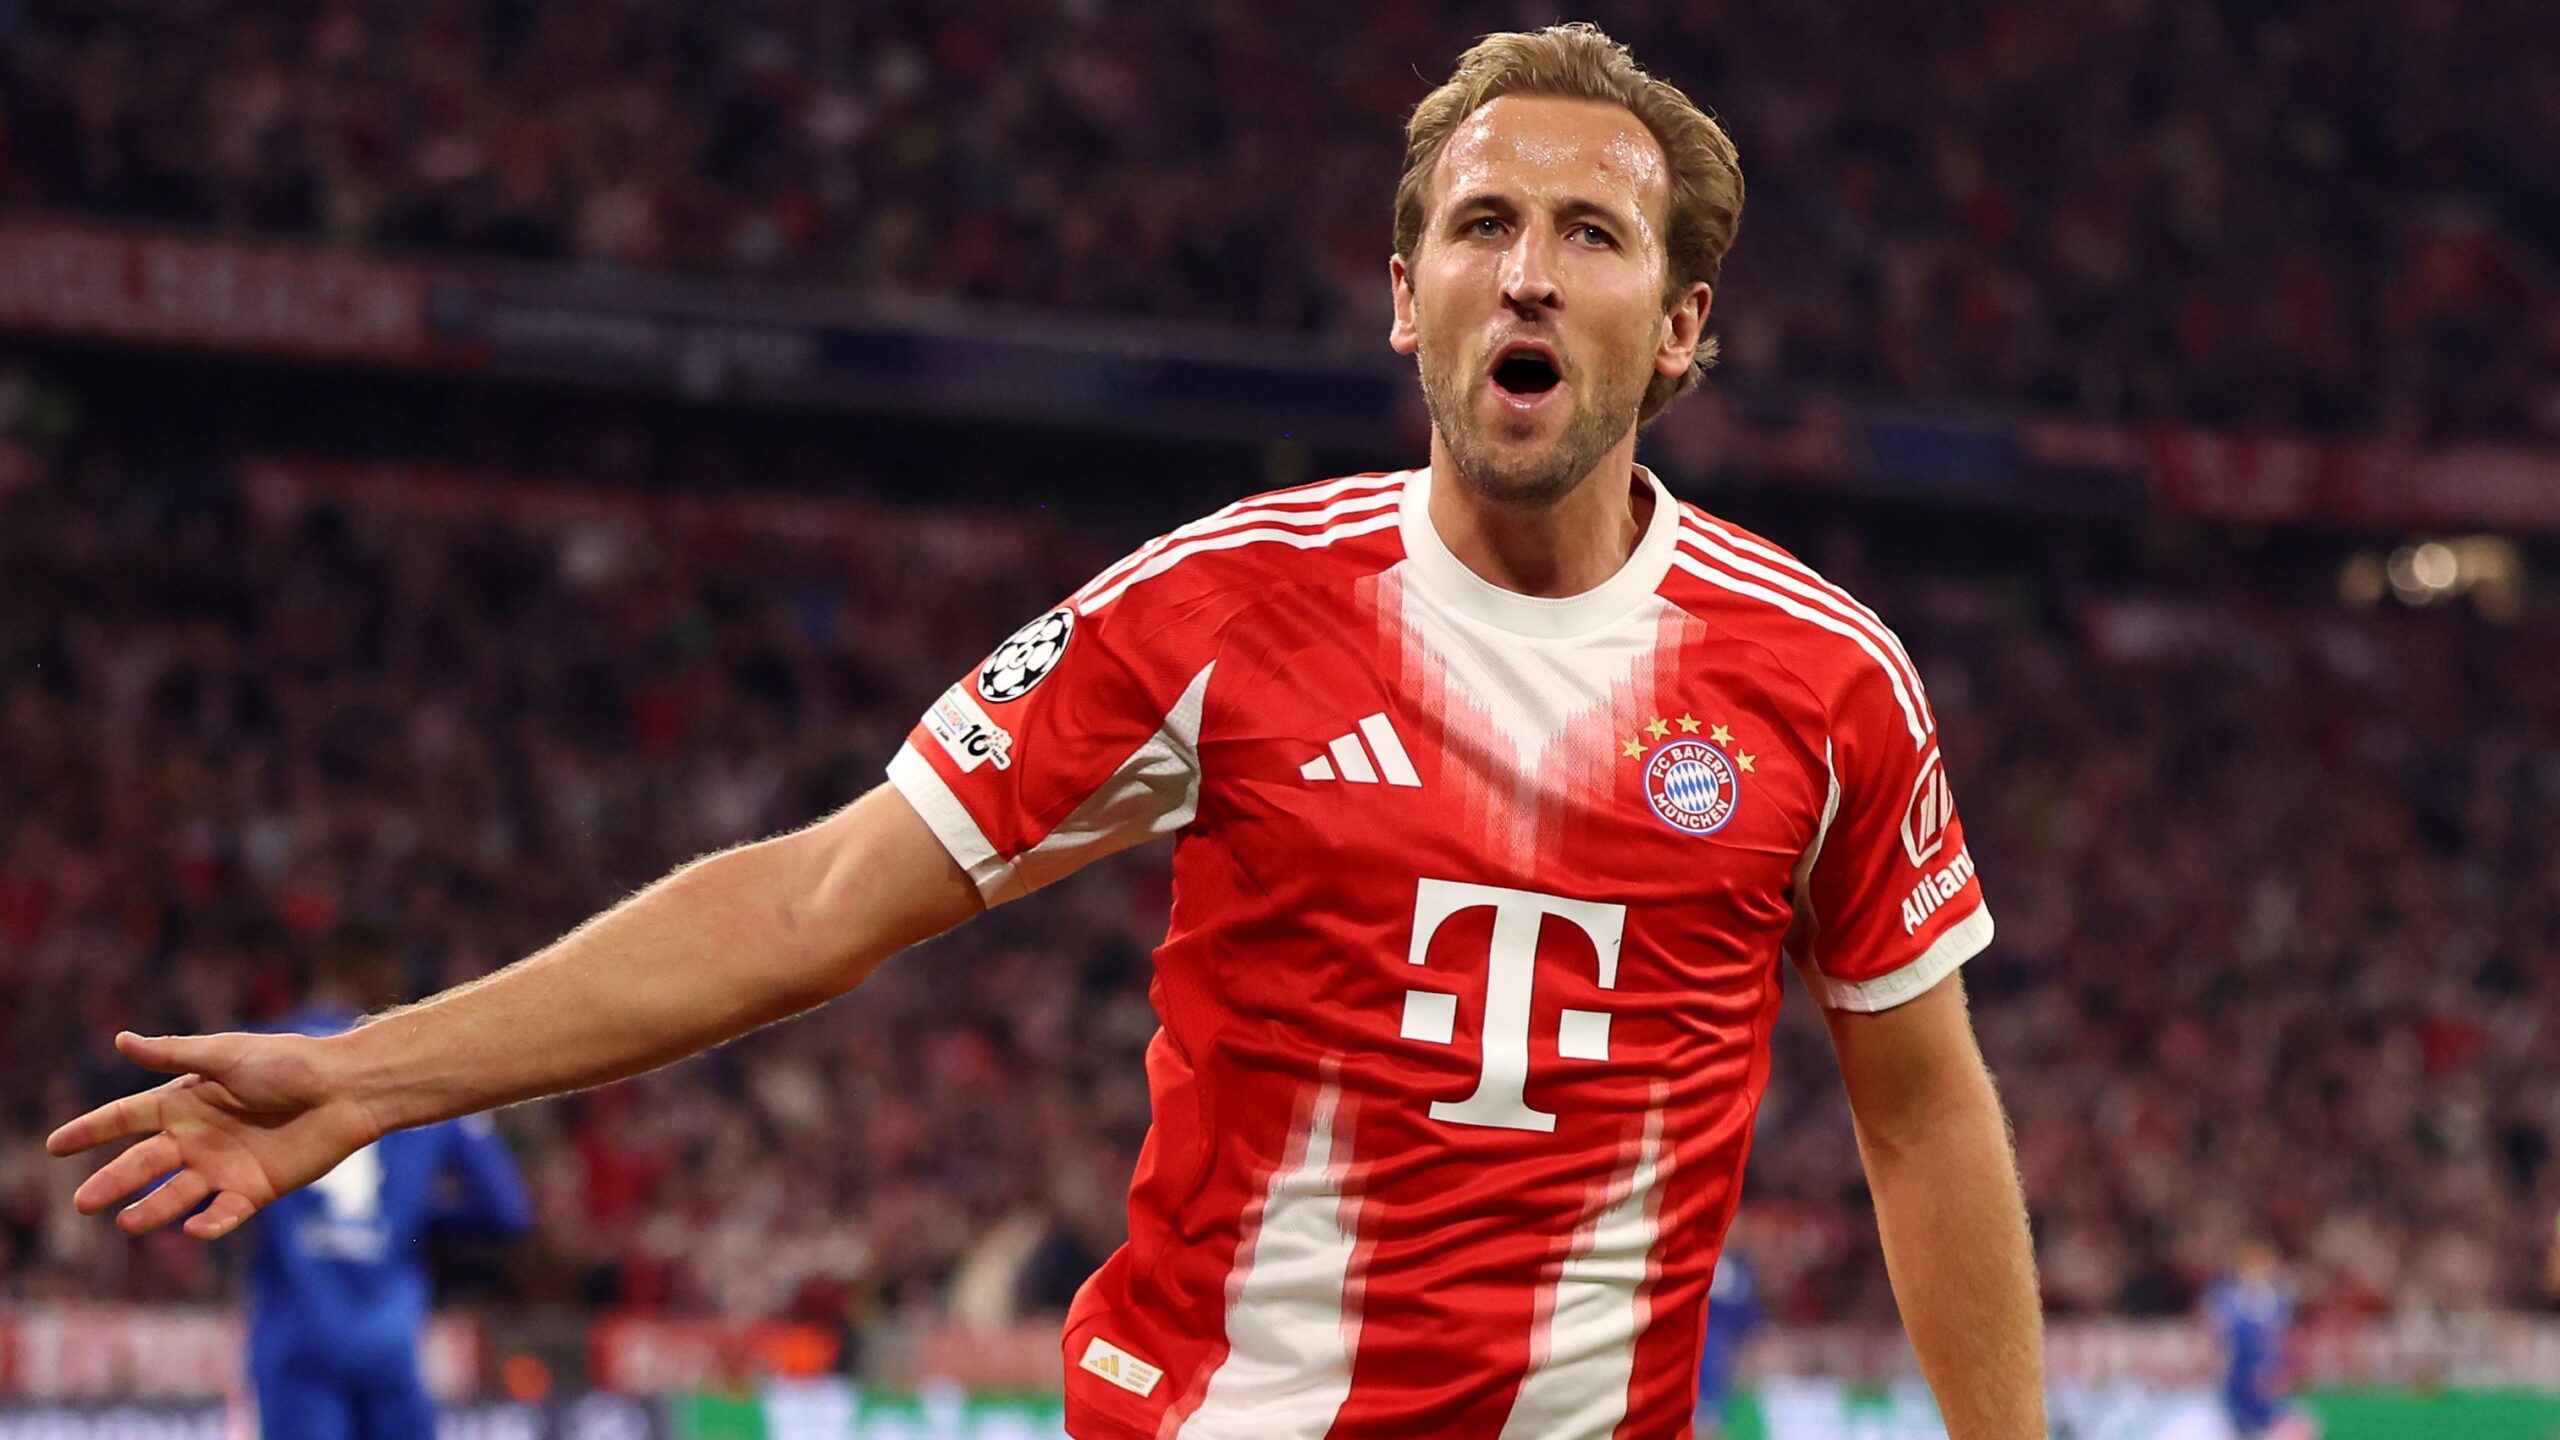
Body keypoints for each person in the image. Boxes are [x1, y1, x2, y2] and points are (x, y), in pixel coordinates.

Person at [50, 25, 2044, 1440]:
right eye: (1479, 223)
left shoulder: (1822, 679)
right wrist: (370, 1077)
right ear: (1403, 294)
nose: (1526, 269)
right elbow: (812, 903)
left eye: (1591, 235)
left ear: (1679, 327)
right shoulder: (1216, 608)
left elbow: (1923, 1114)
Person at [233, 924, 534, 1440]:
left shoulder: (260, 1054)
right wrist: (411, 1217)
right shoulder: (423, 1072)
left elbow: (183, 1190)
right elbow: (507, 1210)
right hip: (387, 1338)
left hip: (297, 1335)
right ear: (383, 977)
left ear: (326, 971)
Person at [2202, 1241, 2309, 1440]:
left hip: (2267, 1374)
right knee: (2237, 1424)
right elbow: (2220, 1339)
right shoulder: (2227, 1299)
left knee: (2295, 1424)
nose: (2258, 1272)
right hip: (2238, 1375)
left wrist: (2280, 1371)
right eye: (2252, 1266)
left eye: (2264, 1266)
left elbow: (2282, 1340)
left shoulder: (2278, 1299)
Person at [1692, 1229, 1766, 1438]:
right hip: (1694, 1348)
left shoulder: (1740, 1269)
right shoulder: (1693, 1258)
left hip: (1723, 1358)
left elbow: (1750, 1316)